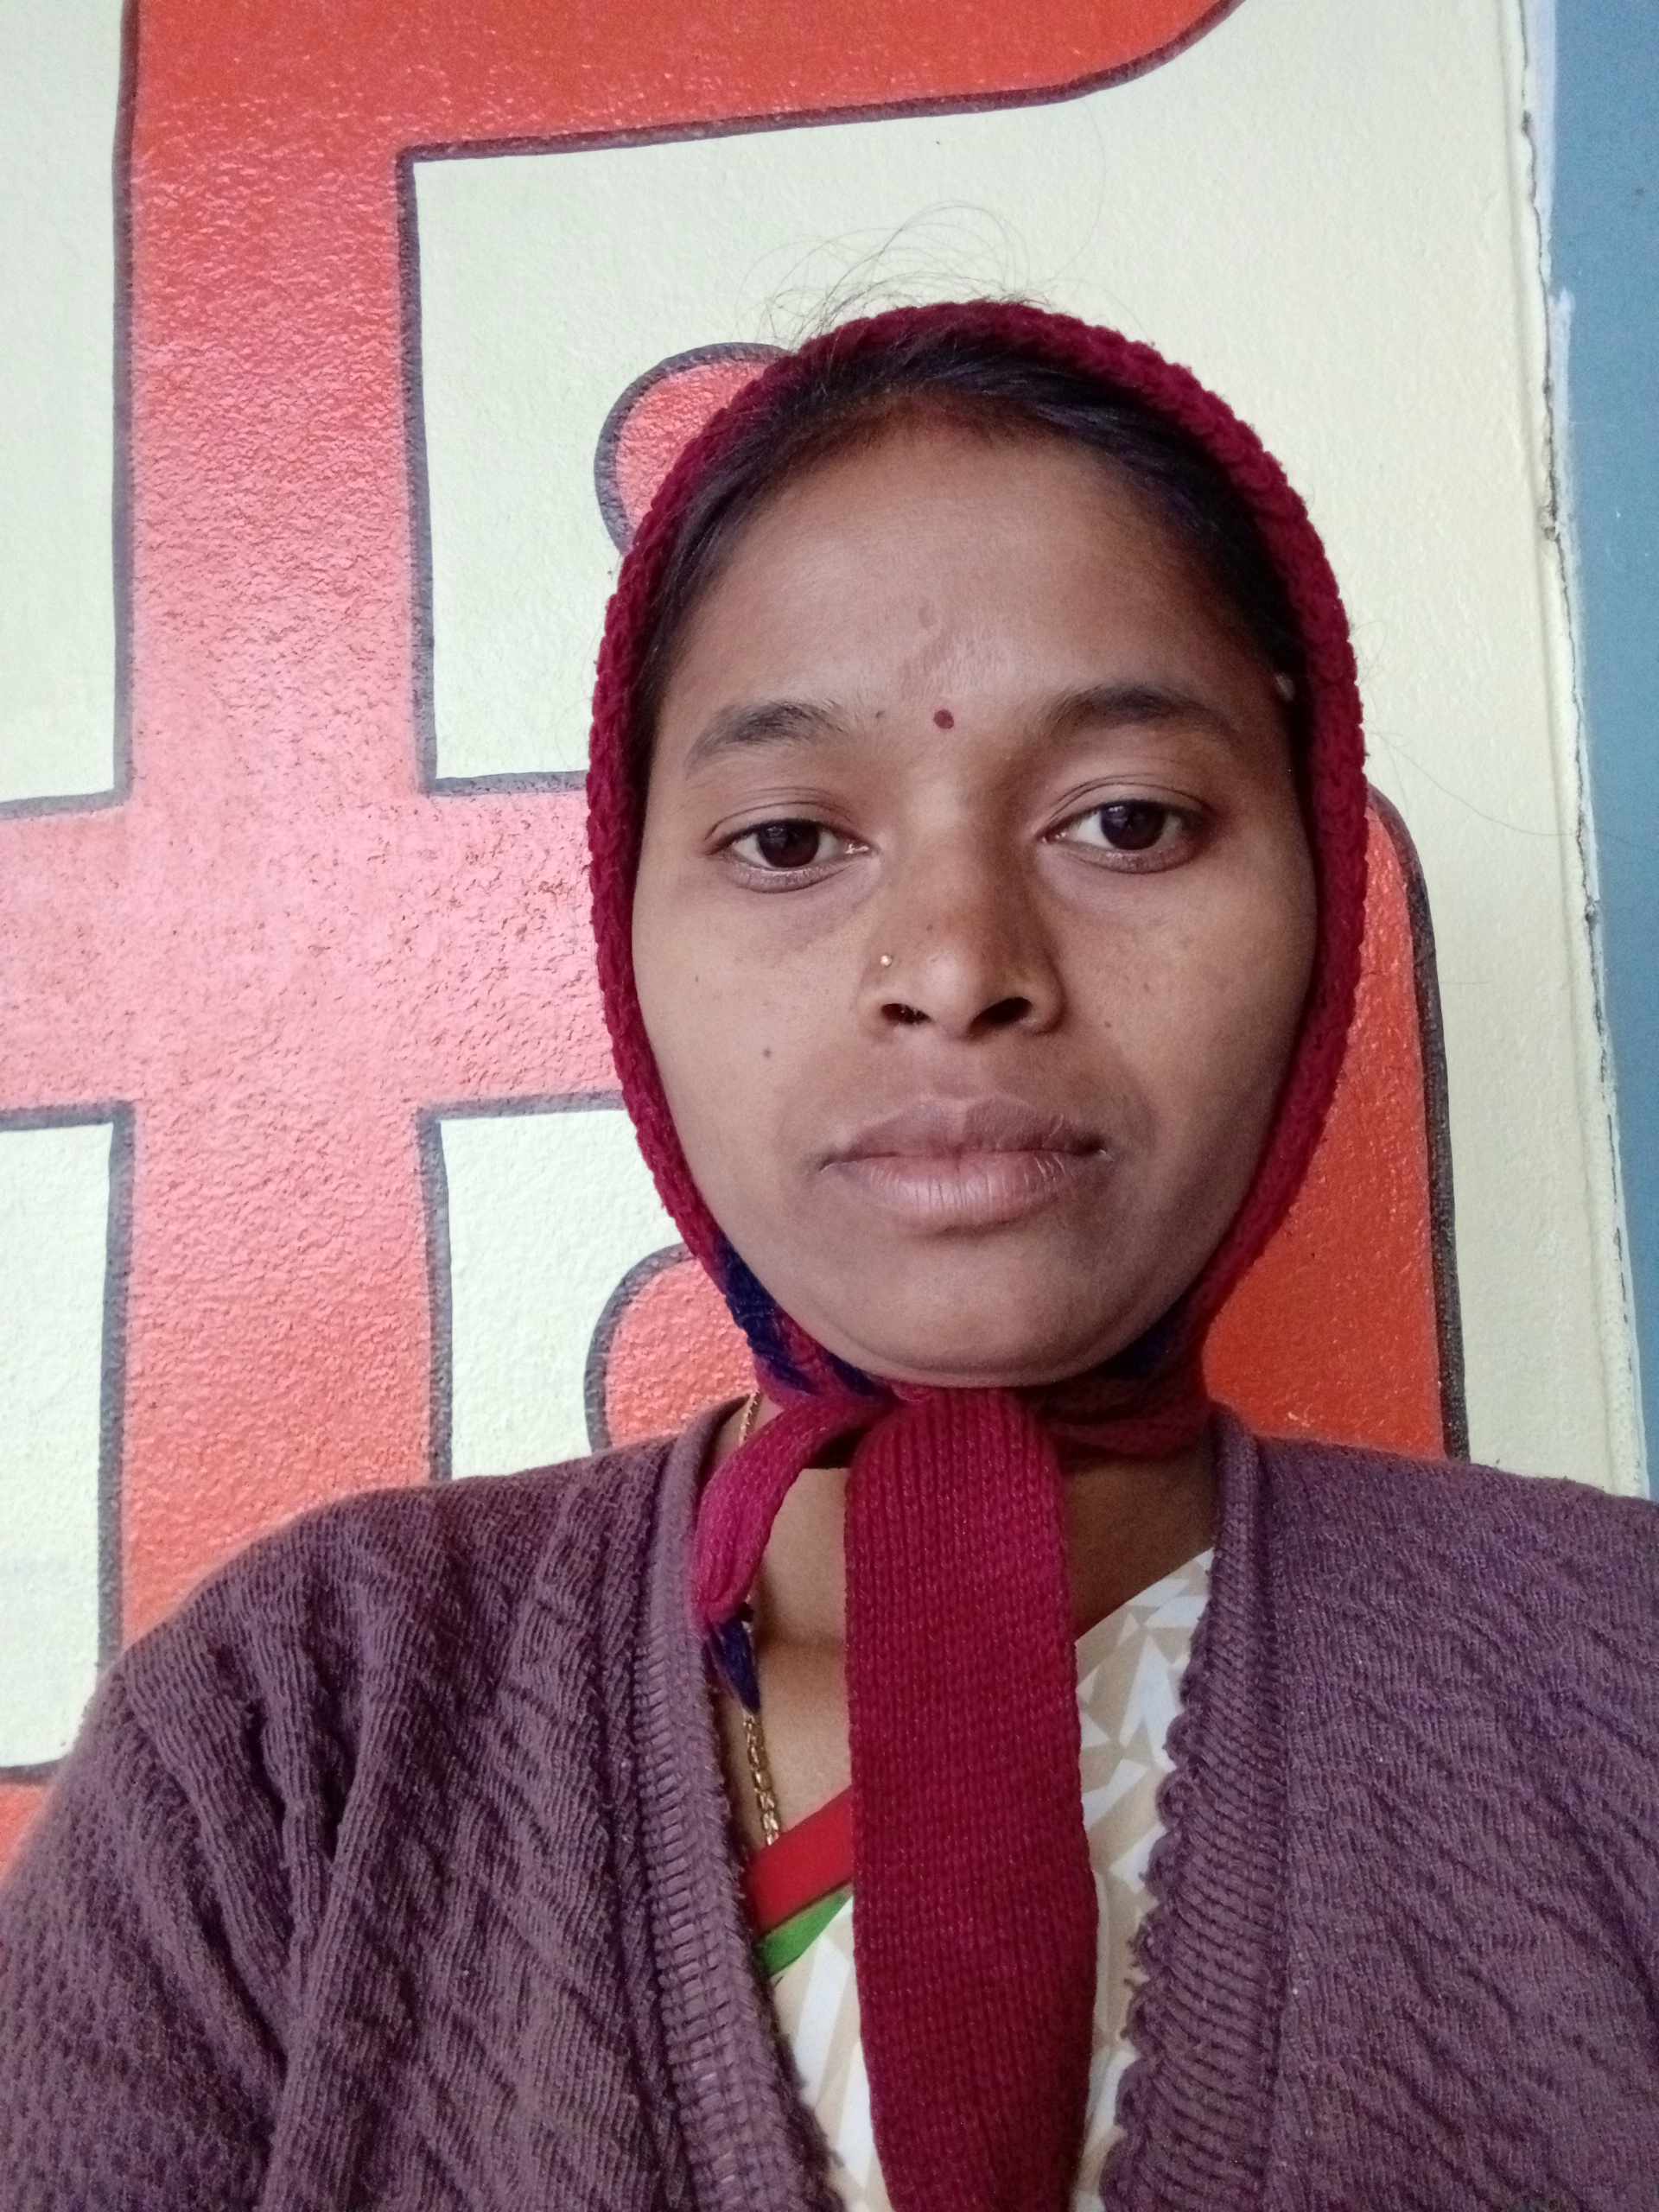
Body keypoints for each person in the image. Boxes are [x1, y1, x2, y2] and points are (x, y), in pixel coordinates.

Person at [3, 298, 1656, 2212]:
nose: (956, 966)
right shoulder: (294, 1731)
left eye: (1127, 819)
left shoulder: (1616, 1677)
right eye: (791, 841)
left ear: (1321, 896)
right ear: (629, 925)